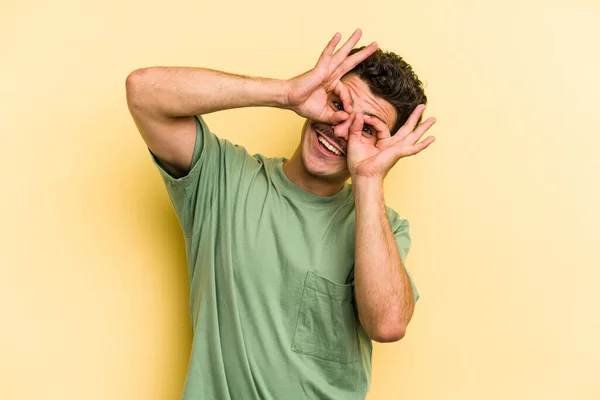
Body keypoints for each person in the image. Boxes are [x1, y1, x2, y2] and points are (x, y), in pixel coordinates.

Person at [125, 28, 436, 400]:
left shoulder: (382, 227)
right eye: (339, 105)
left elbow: (387, 324)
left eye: (367, 128)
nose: (340, 130)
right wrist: (285, 93)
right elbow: (143, 92)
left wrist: (368, 177)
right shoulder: (223, 177)